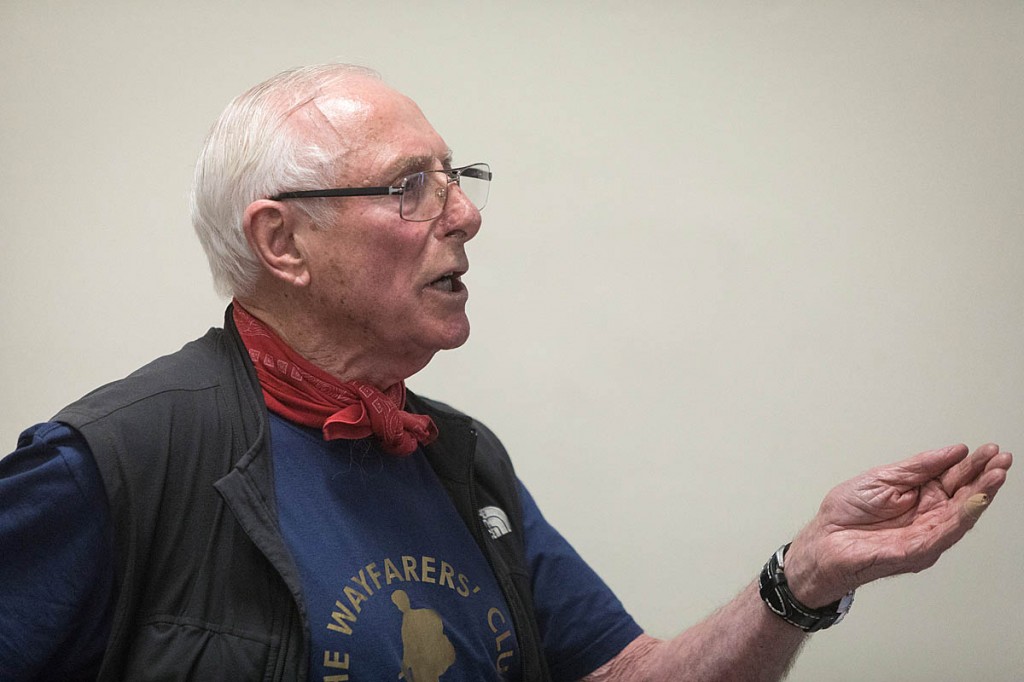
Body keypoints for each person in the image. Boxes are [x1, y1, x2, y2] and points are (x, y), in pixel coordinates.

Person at [0, 63, 1012, 682]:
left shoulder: (461, 459)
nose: (467, 214)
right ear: (283, 242)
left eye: (457, 177)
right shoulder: (113, 463)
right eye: (410, 186)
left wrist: (803, 578)